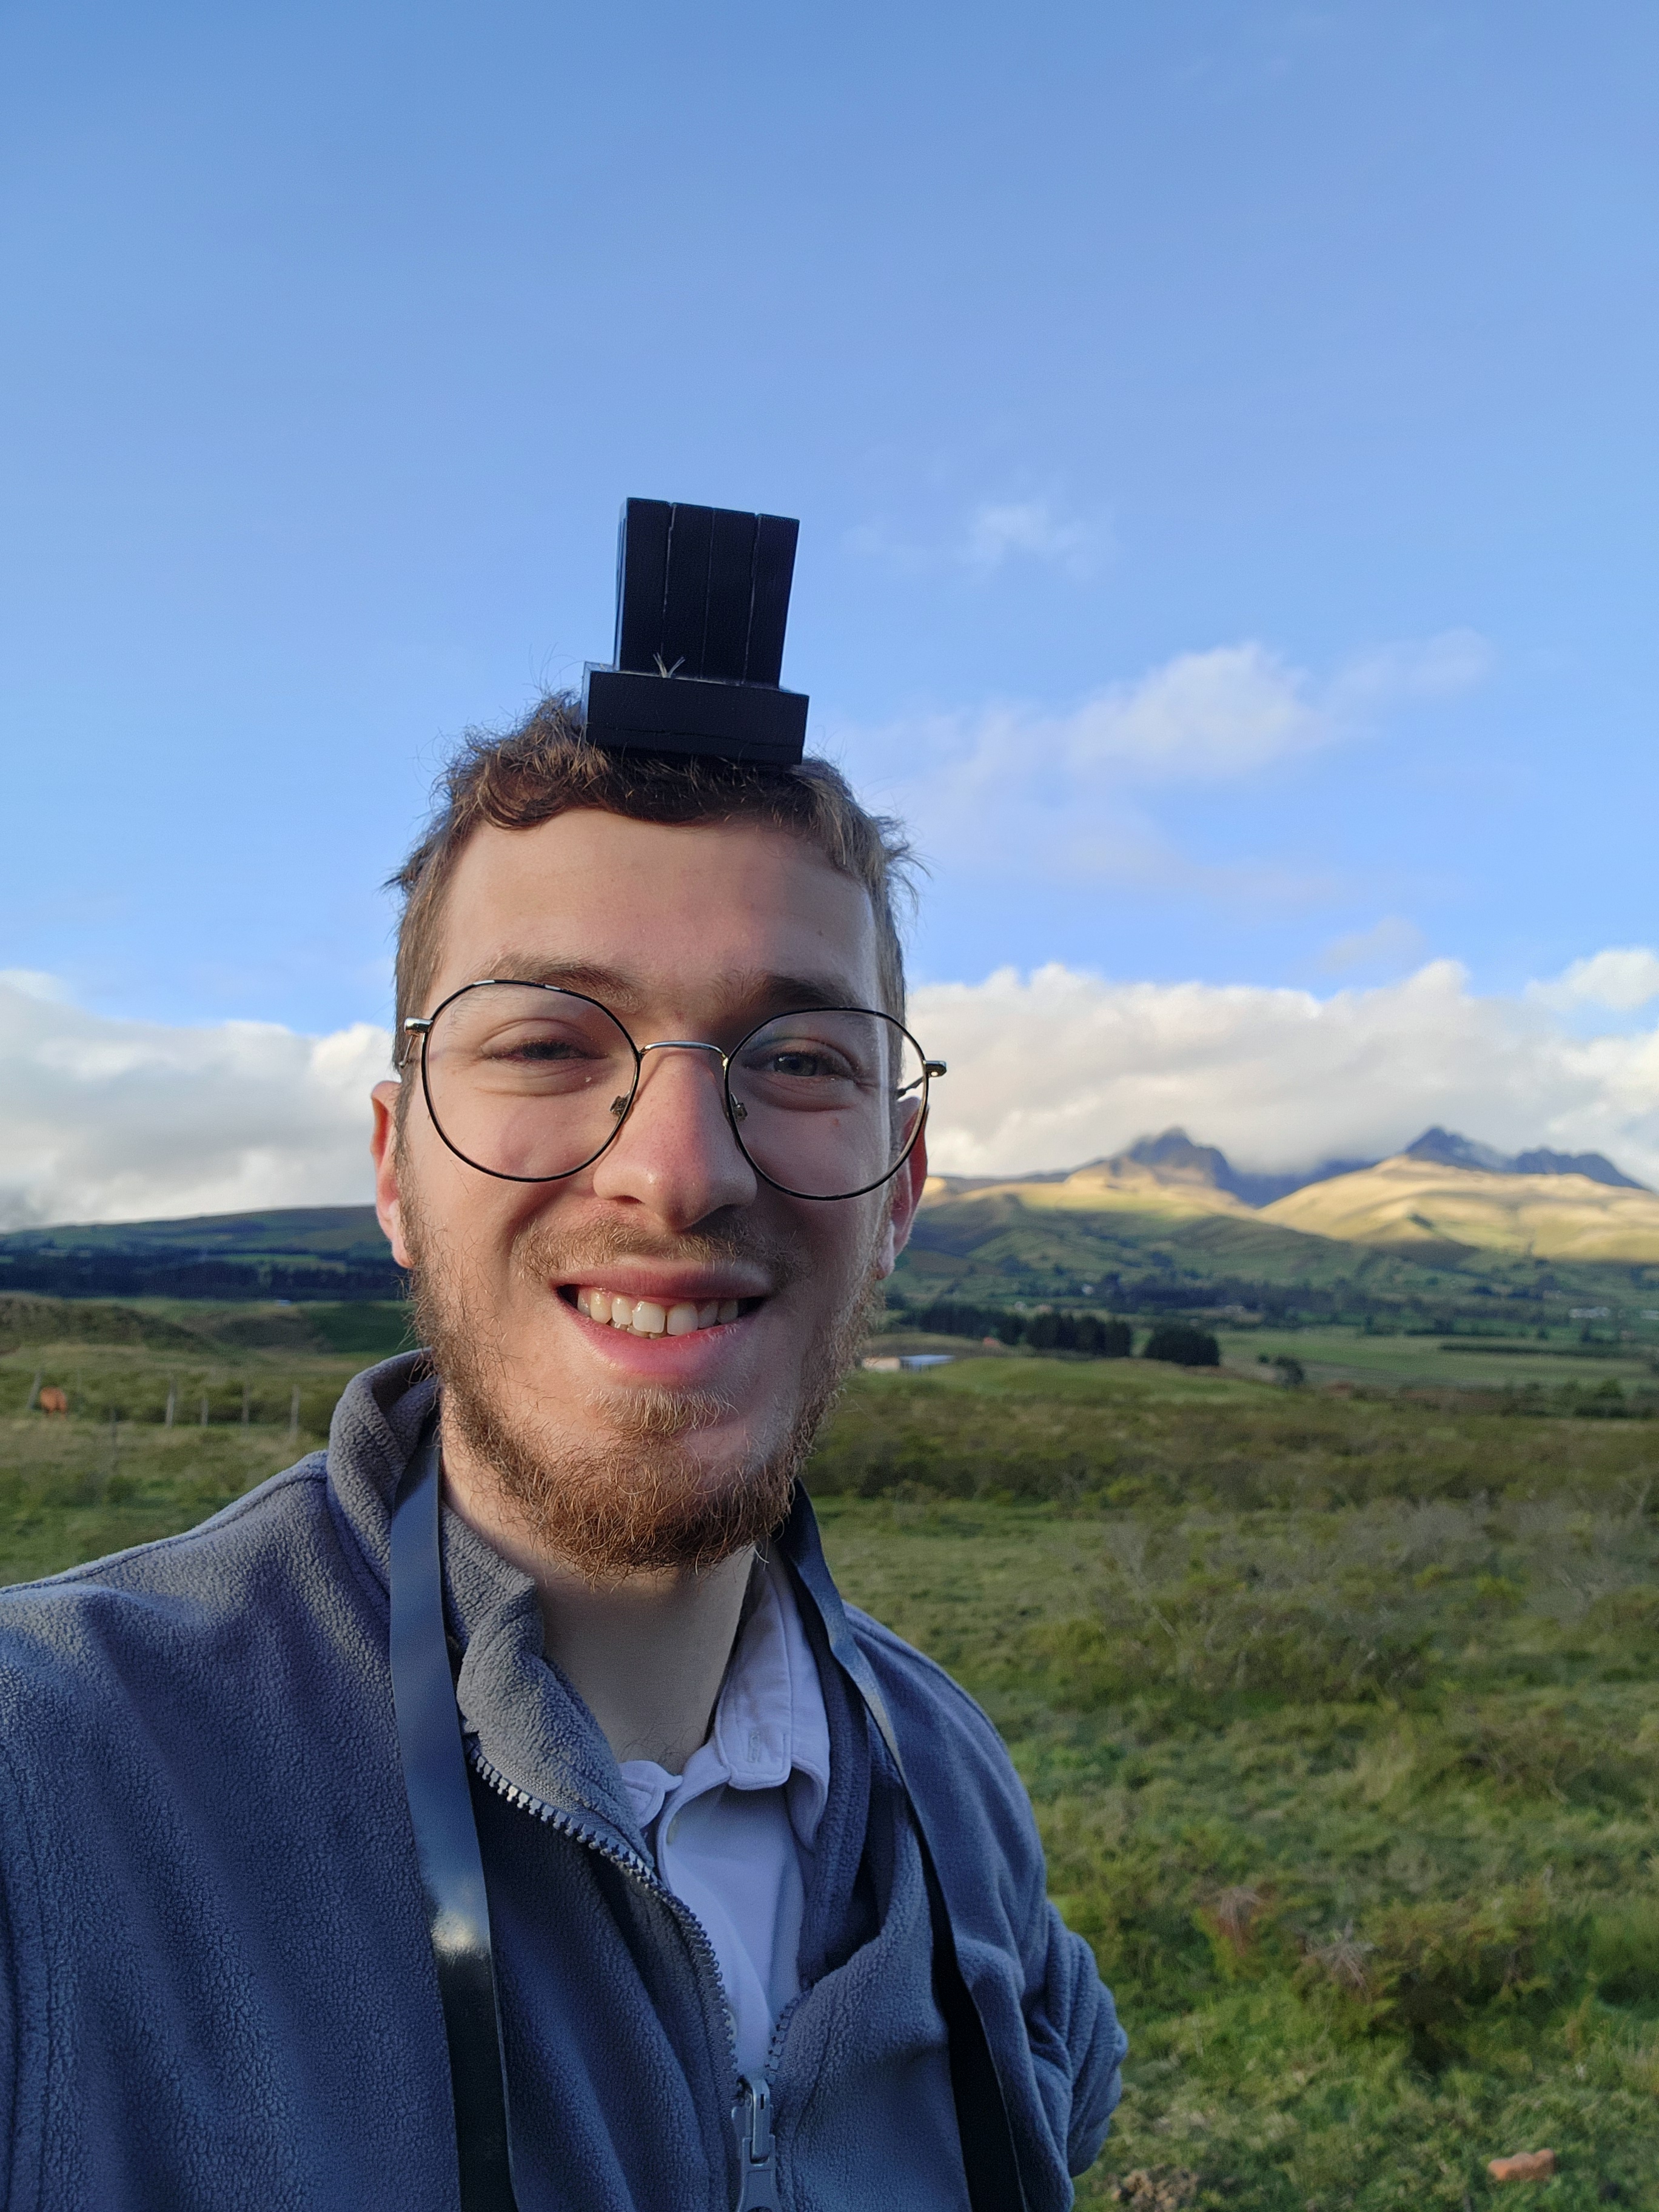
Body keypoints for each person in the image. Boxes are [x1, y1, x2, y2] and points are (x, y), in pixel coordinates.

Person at [0, 693, 1124, 2209]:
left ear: (901, 1187)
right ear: (395, 1168)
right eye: (542, 1041)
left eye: (797, 1059)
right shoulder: (54, 1784)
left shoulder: (953, 1784)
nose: (674, 1172)